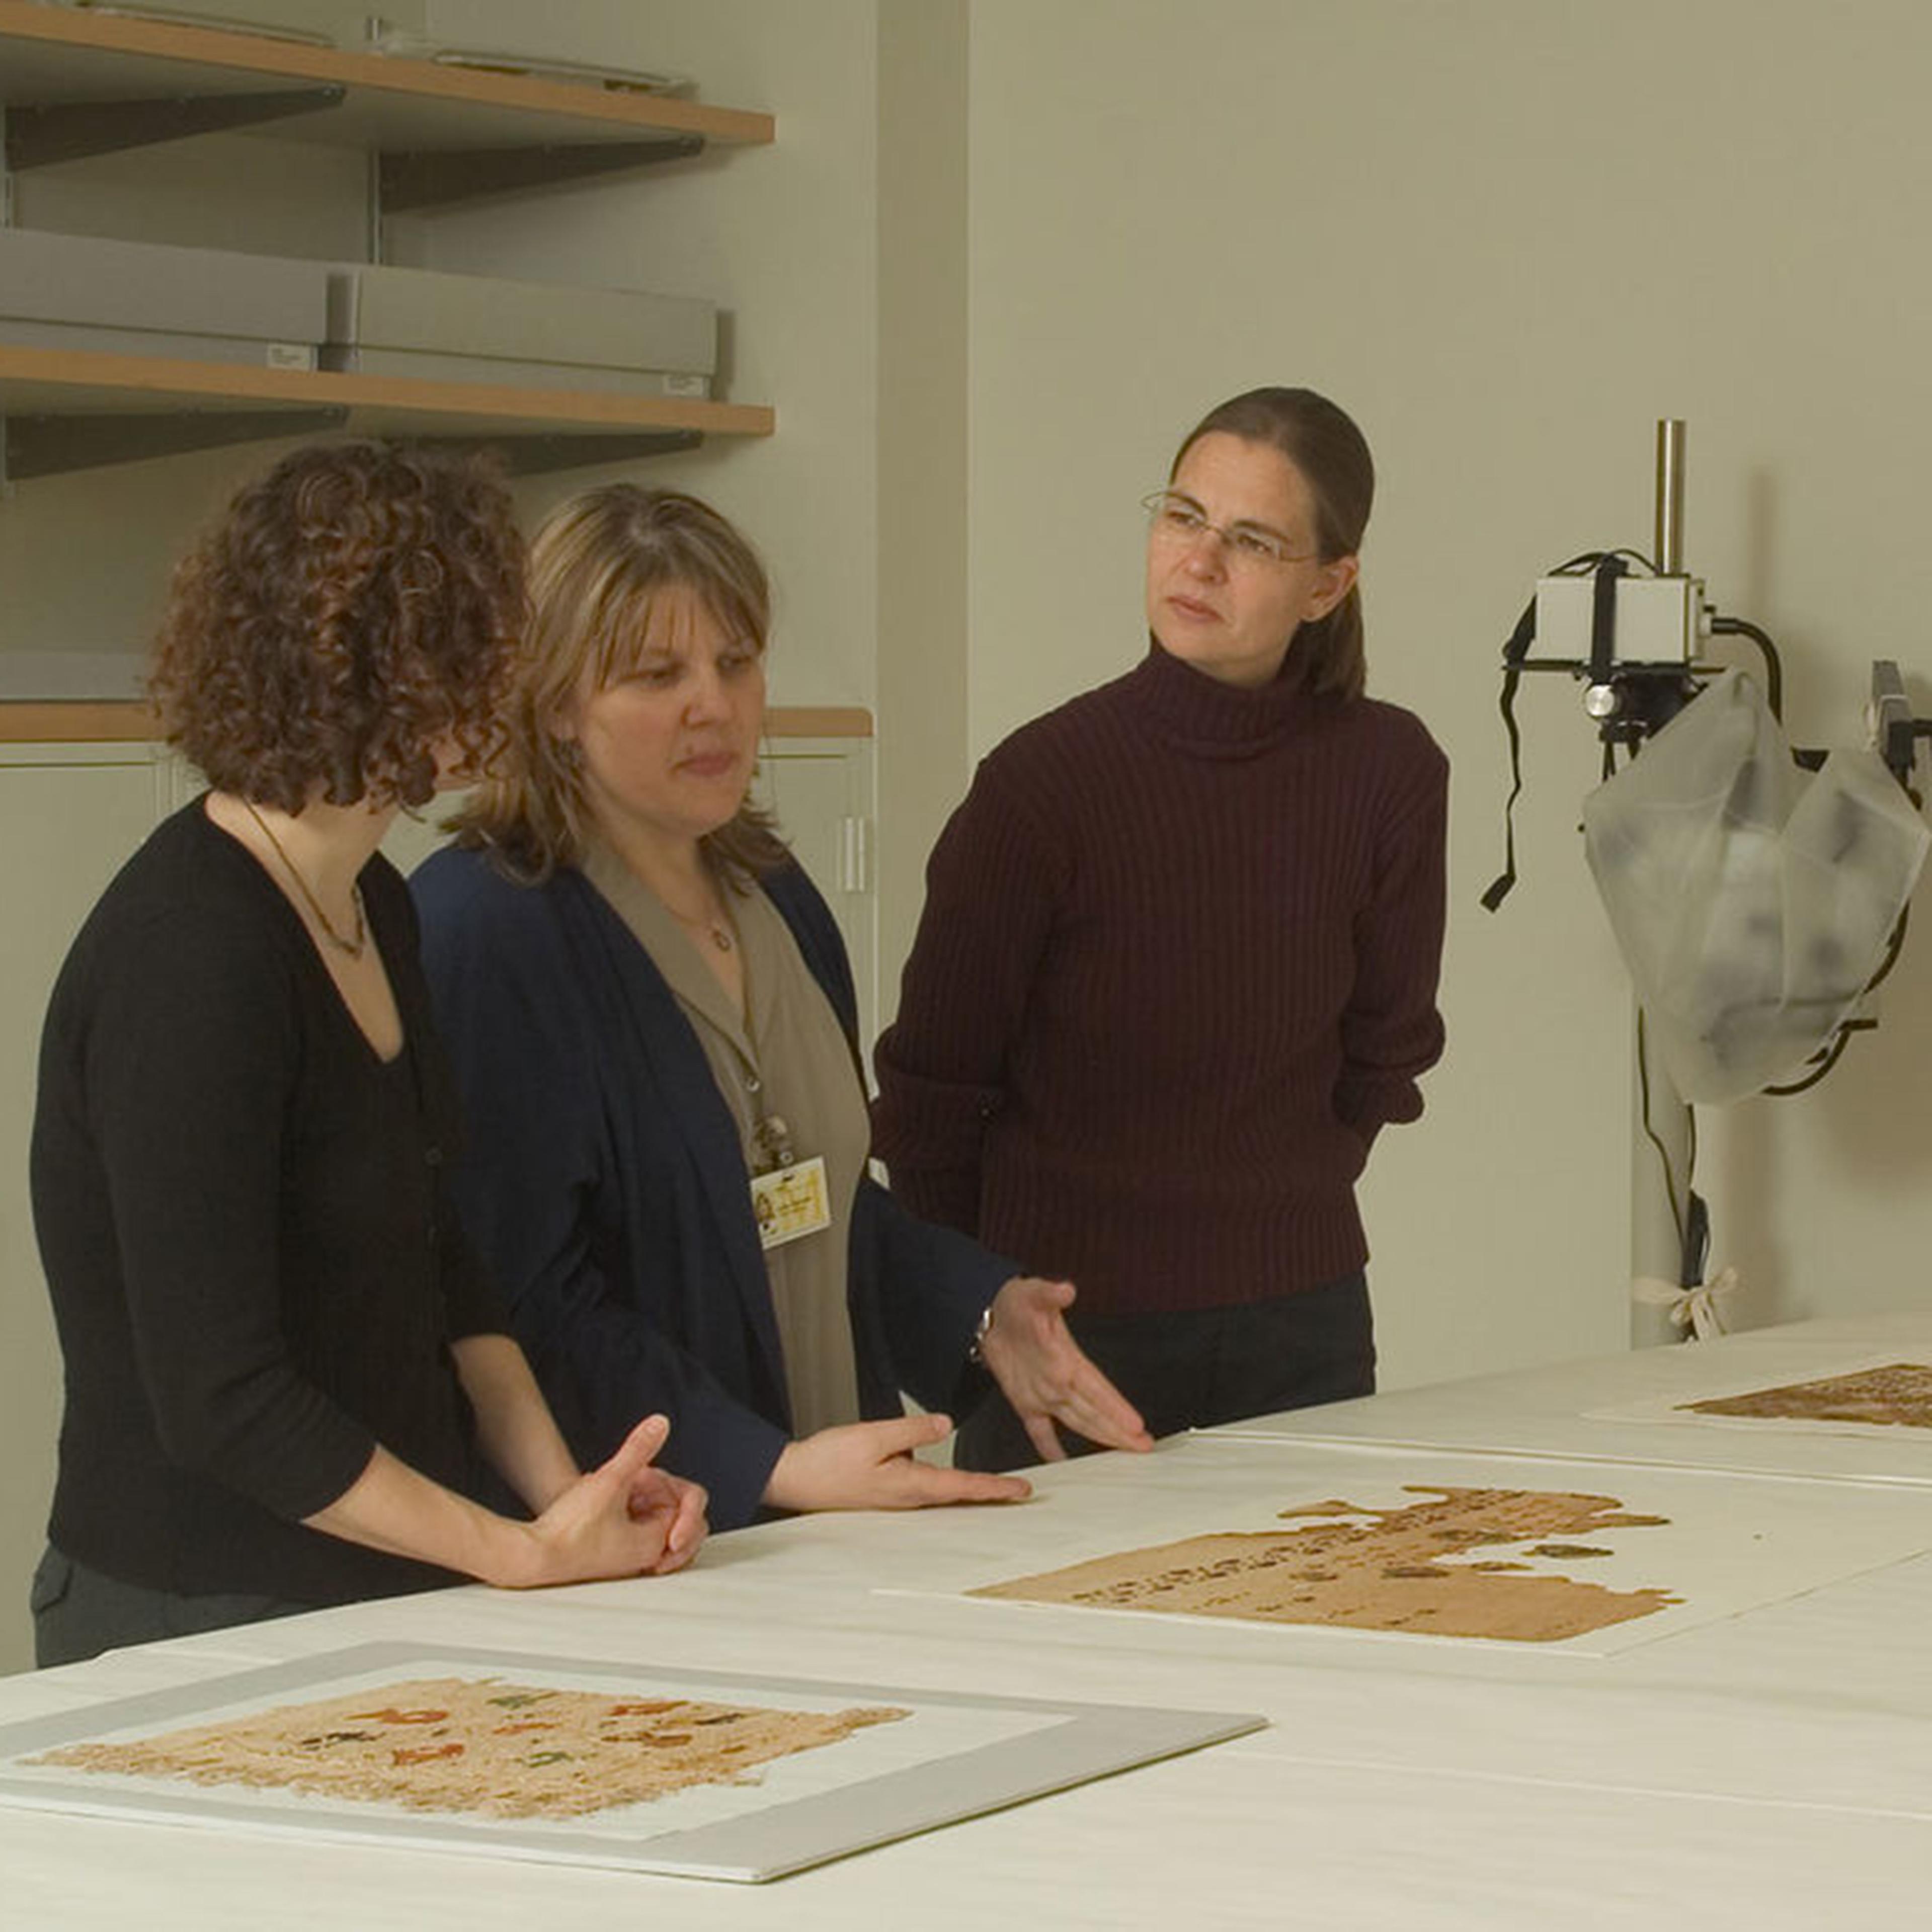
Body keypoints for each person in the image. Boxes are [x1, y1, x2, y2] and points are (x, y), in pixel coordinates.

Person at [29, 443, 706, 1668]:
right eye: (478, 647)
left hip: (383, 1584)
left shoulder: (376, 901)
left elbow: (446, 1260)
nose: (510, 681)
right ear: (376, 674)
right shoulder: (192, 957)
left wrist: (567, 1506)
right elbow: (222, 1399)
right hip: (196, 1608)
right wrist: (511, 1551)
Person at [412, 484, 1149, 1535]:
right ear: (556, 705)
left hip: (820, 1520)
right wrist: (769, 1465)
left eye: (736, 662)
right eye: (658, 675)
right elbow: (517, 1304)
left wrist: (980, 1309)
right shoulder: (489, 930)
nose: (713, 705)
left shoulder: (777, 894)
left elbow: (813, 1194)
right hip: (644, 1535)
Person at [872, 386, 1448, 1470]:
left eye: (1252, 541)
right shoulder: (1043, 785)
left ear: (1329, 585)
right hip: (1069, 1334)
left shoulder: (1391, 775)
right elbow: (932, 1097)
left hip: (1301, 1325)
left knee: (1316, 1625)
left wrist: (1276, 1206)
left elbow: (1386, 1049)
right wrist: (988, 1316)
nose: (1199, 563)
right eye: (1182, 517)